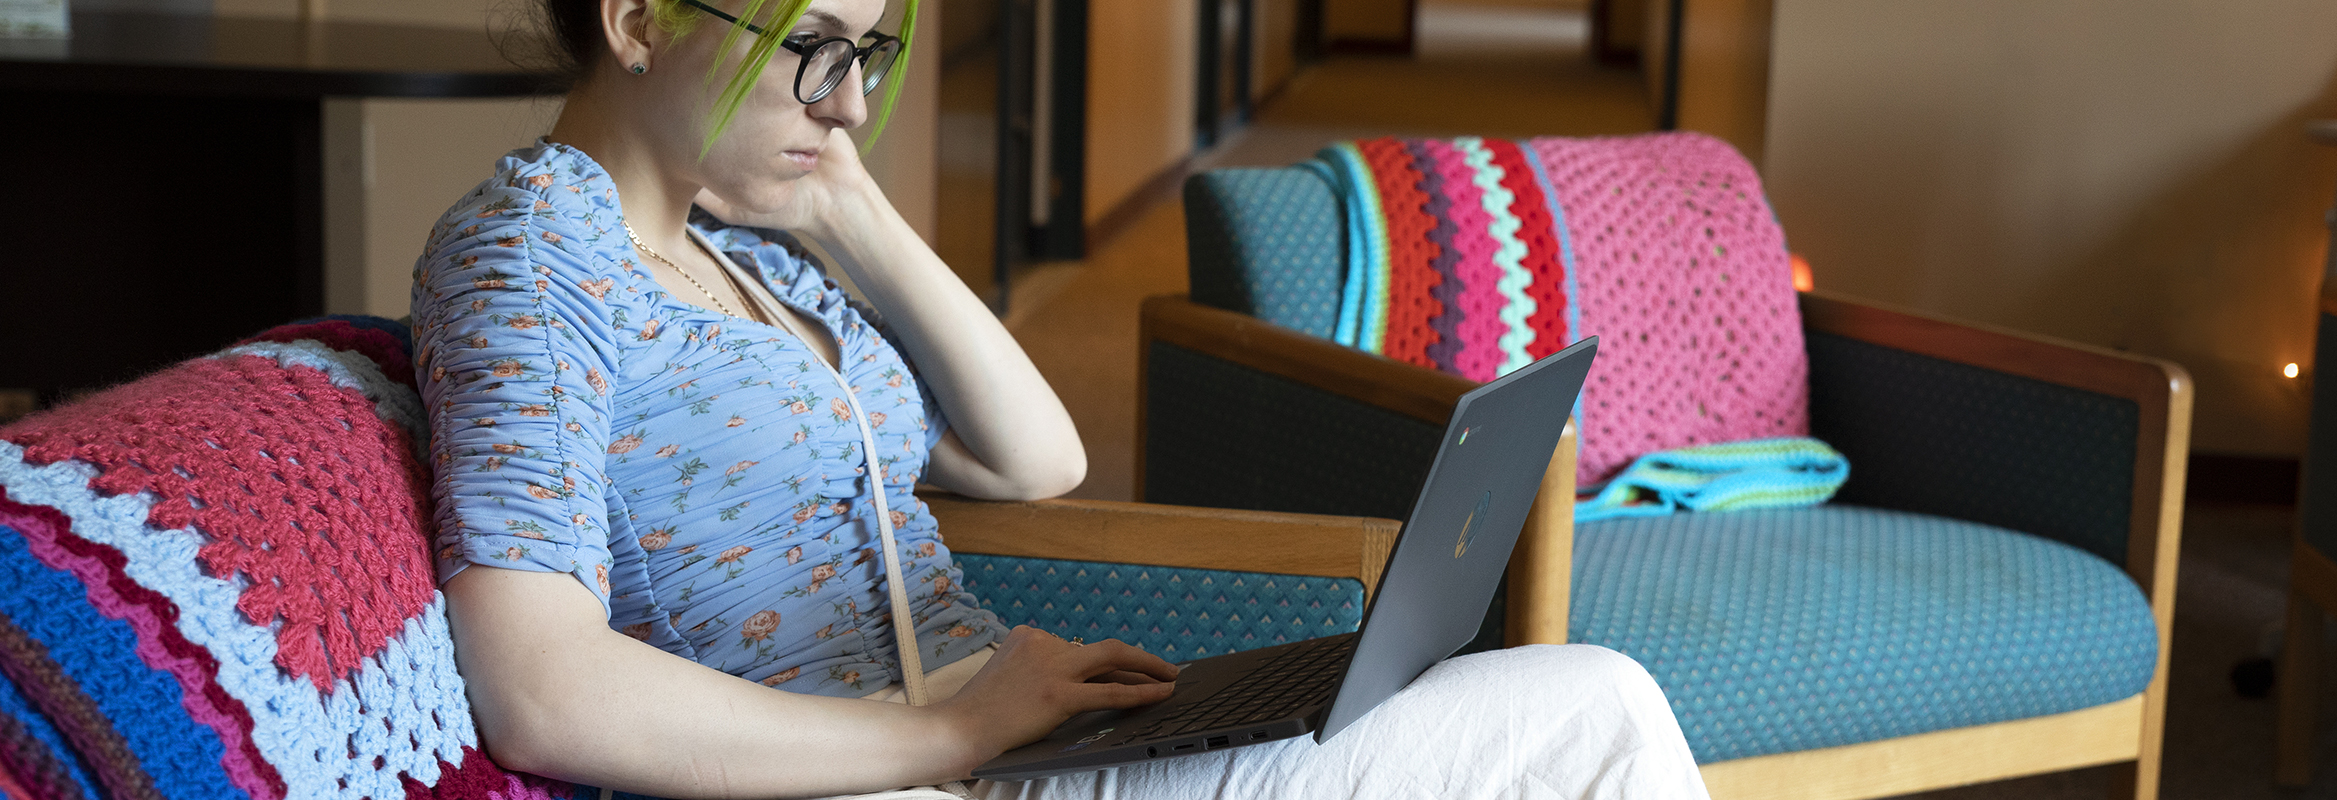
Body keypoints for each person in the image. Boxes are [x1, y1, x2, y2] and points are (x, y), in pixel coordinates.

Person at [414, 0, 1711, 797]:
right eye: (813, 50)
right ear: (639, 19)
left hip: (993, 737)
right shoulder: (537, 255)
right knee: (1592, 714)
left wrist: (841, 202)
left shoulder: (743, 257)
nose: (853, 101)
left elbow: (1036, 456)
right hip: (882, 769)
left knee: (1574, 713)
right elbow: (543, 695)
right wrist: (950, 734)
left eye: (869, 55)